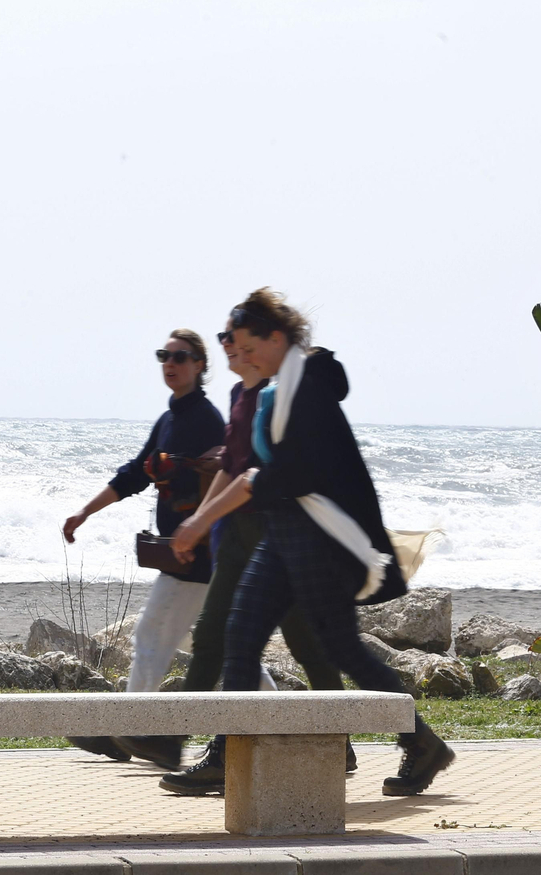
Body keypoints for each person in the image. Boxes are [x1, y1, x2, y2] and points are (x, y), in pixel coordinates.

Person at [162, 289, 454, 798]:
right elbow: (256, 468)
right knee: (240, 636)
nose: (241, 354)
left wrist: (212, 513)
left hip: (321, 540)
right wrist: (205, 519)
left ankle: (421, 742)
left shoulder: (309, 385)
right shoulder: (279, 386)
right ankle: (227, 753)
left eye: (248, 345)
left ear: (276, 337)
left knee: (340, 648)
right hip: (283, 534)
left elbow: (291, 471)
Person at [158, 320, 353, 794]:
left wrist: (200, 521)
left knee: (242, 641)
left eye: (236, 338)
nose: (227, 344)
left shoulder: (279, 395)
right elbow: (233, 467)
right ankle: (346, 742)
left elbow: (253, 474)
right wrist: (202, 521)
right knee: (282, 645)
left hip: (279, 537)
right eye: (224, 337)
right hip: (249, 537)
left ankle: (221, 753)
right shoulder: (242, 396)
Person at [61, 328, 223, 769]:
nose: (171, 363)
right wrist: (85, 512)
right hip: (181, 554)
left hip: (198, 558)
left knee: (151, 637)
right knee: (225, 653)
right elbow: (135, 474)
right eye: (164, 356)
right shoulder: (170, 419)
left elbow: (222, 485)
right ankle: (298, 724)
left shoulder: (207, 420)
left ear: (200, 365)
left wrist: (201, 533)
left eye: (181, 356)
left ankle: (134, 730)